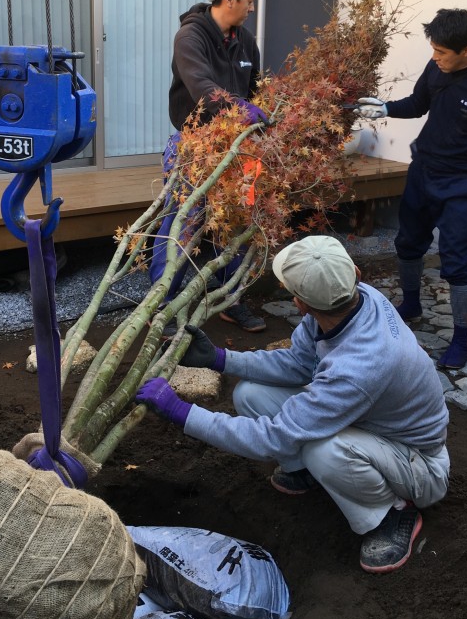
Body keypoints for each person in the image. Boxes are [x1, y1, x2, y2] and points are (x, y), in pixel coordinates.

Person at [137, 235, 449, 574]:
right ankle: (304, 472)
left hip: (418, 464)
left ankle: (390, 516)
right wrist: (221, 359)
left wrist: (182, 412)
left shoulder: (359, 367)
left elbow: (272, 438)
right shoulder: (354, 299)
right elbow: (298, 365)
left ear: (299, 303)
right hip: (370, 422)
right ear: (355, 273)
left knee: (323, 449)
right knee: (250, 394)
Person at [355, 8, 467, 370]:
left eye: (442, 53)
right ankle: (411, 305)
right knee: (408, 244)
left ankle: (461, 339)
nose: (434, 58)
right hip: (422, 172)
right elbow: (418, 104)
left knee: (457, 263)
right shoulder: (438, 69)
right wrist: (384, 107)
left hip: (461, 185)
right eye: (433, 50)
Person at [149, 0, 269, 333]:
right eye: (248, 0)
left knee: (234, 220)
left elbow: (256, 87)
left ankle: (229, 298)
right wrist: (242, 108)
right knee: (184, 220)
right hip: (197, 145)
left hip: (237, 147)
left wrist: (263, 111)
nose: (251, 7)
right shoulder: (191, 37)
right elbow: (201, 86)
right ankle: (162, 305)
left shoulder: (245, 41)